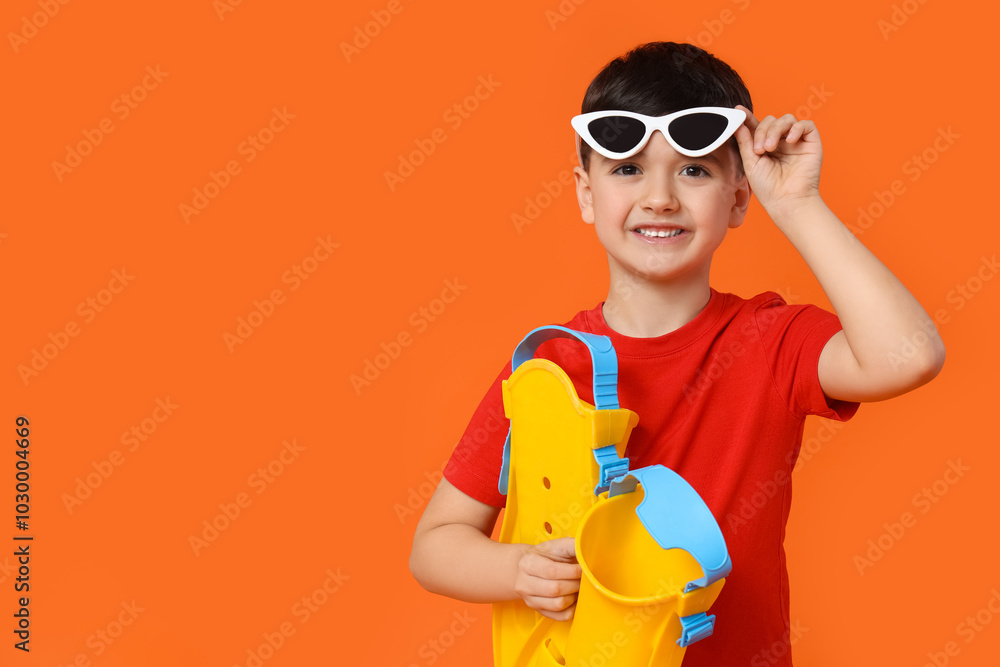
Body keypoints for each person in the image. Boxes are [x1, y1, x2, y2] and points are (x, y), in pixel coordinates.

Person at [408, 40, 945, 666]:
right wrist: (519, 570)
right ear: (585, 193)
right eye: (628, 168)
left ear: (740, 196)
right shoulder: (548, 367)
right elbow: (434, 546)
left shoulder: (769, 340)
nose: (660, 196)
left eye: (694, 170)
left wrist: (797, 205)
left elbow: (908, 355)